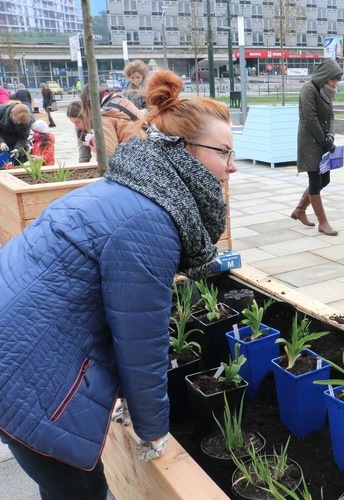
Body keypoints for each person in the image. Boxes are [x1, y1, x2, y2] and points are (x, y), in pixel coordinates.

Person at [0, 69, 237, 499]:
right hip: (26, 372)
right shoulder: (150, 222)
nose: (232, 166)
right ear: (184, 151)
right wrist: (152, 429)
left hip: (17, 349)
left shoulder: (127, 188)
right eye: (224, 152)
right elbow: (141, 341)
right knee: (81, 491)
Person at [293, 58, 342, 236]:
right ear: (325, 77)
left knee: (325, 180)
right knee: (315, 181)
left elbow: (332, 117)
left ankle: (299, 210)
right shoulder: (309, 90)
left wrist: (330, 136)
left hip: (322, 142)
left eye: (337, 81)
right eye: (333, 80)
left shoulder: (326, 92)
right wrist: (323, 140)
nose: (335, 84)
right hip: (310, 143)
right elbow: (310, 118)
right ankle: (323, 222)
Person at [80, 83, 147, 158]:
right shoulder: (124, 102)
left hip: (133, 159)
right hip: (146, 151)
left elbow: (109, 153)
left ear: (88, 105)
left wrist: (93, 141)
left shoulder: (104, 115)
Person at [0, 100, 32, 165]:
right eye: (15, 121)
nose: (17, 124)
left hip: (14, 143)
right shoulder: (1, 111)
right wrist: (1, 142)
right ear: (11, 113)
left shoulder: (28, 120)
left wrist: (18, 149)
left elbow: (23, 138)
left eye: (20, 123)